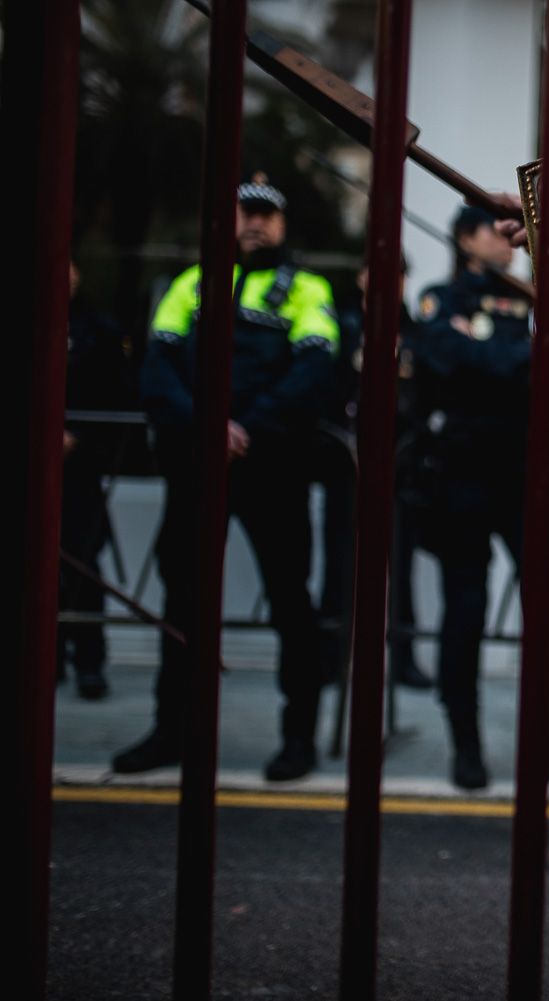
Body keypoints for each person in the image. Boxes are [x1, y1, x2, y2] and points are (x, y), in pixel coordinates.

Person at [114, 173, 339, 782]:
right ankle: (171, 731)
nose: (255, 223)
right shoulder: (190, 282)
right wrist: (207, 426)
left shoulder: (308, 288)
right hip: (198, 464)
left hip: (274, 468)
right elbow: (157, 369)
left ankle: (298, 739)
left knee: (290, 603)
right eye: (246, 212)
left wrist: (245, 429)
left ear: (282, 224)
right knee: (182, 603)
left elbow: (314, 373)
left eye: (266, 214)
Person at [410, 204, 549, 791]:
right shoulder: (439, 299)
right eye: (494, 229)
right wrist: (522, 358)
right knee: (466, 609)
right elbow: (449, 358)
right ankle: (466, 744)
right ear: (465, 238)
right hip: (460, 473)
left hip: (526, 472)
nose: (508, 240)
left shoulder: (535, 299)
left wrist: (499, 359)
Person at [321, 259, 433, 691]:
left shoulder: (414, 331)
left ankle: (403, 659)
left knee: (399, 566)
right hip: (348, 463)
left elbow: (424, 392)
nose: (386, 280)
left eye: (397, 273)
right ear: (361, 276)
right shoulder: (344, 324)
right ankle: (331, 657)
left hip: (399, 465)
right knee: (338, 562)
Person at [58, 260, 132, 700]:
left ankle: (89, 661)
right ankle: (45, 657)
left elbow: (117, 391)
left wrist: (80, 435)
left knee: (83, 562)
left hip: (81, 465)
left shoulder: (98, 329)